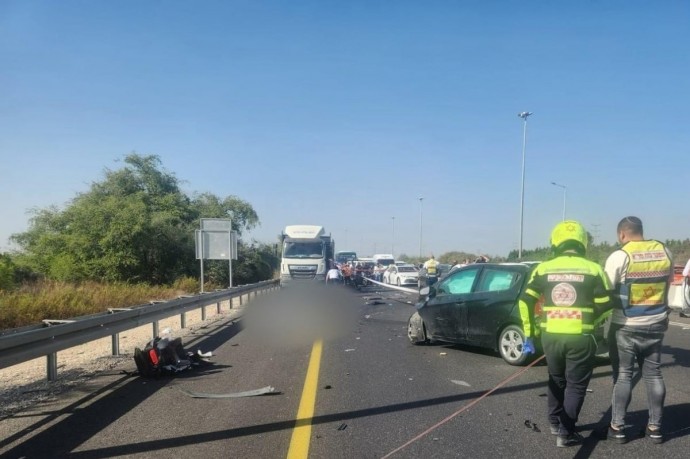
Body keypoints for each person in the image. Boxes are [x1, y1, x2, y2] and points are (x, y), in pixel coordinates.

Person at [518, 220, 612, 448]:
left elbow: (525, 301)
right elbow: (606, 304)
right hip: (581, 337)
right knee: (576, 385)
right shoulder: (593, 269)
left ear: (556, 242)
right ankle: (566, 432)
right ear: (583, 242)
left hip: (551, 336)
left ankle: (553, 422)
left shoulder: (543, 268)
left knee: (556, 379)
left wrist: (530, 334)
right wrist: (591, 323)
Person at [604, 216, 673, 444]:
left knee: (623, 375)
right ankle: (655, 428)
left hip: (626, 324)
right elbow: (668, 283)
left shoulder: (620, 255)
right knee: (654, 374)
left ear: (622, 234)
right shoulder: (664, 251)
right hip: (656, 322)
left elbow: (606, 288)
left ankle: (618, 427)